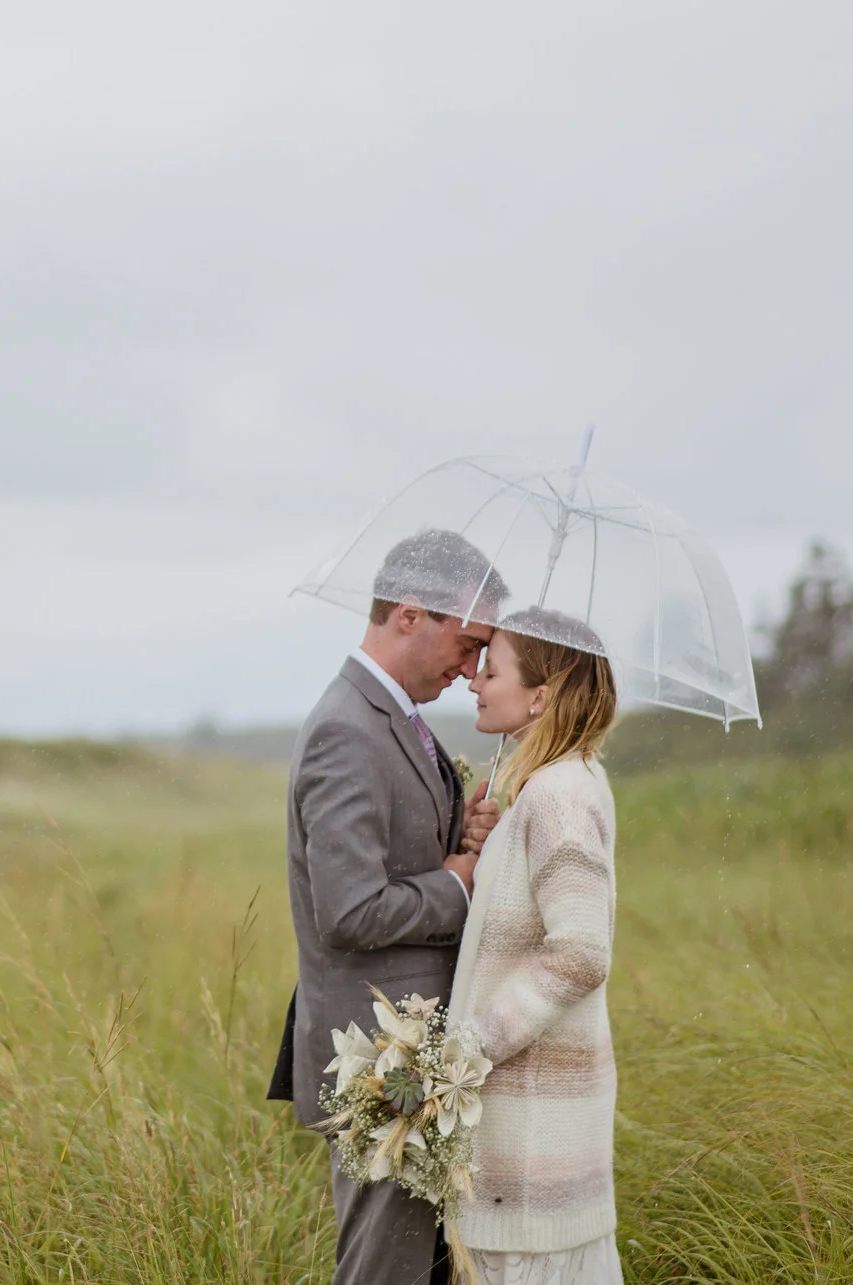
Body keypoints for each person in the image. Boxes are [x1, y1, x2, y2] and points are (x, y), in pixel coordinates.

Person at [272, 529, 506, 1285]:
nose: (472, 669)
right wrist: (461, 879)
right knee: (384, 1273)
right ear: (411, 614)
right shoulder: (347, 727)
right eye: (468, 643)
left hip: (414, 1059)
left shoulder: (394, 716)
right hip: (380, 1063)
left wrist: (460, 831)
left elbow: (399, 859)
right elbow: (350, 910)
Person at [449, 611, 624, 1285]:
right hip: (532, 1156)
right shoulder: (547, 788)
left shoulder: (559, 794)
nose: (475, 681)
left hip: (532, 1161)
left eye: (491, 670)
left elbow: (581, 951)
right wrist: (481, 842)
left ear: (541, 696)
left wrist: (470, 1044)